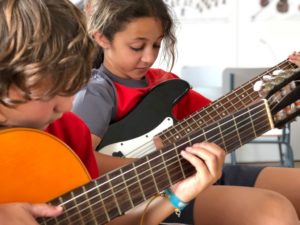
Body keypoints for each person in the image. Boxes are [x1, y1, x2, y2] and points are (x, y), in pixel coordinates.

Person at [72, 0, 300, 224]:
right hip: (154, 195)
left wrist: (288, 77)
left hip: (198, 171)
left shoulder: (165, 82)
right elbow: (80, 161)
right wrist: (153, 167)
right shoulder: (96, 92)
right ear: (102, 38)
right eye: (137, 47)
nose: (149, 57)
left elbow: (223, 114)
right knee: (271, 211)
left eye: (156, 44)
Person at [0, 0, 225, 225]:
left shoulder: (70, 131)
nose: (66, 107)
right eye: (52, 91)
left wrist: (176, 197)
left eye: (72, 89)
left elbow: (101, 221)